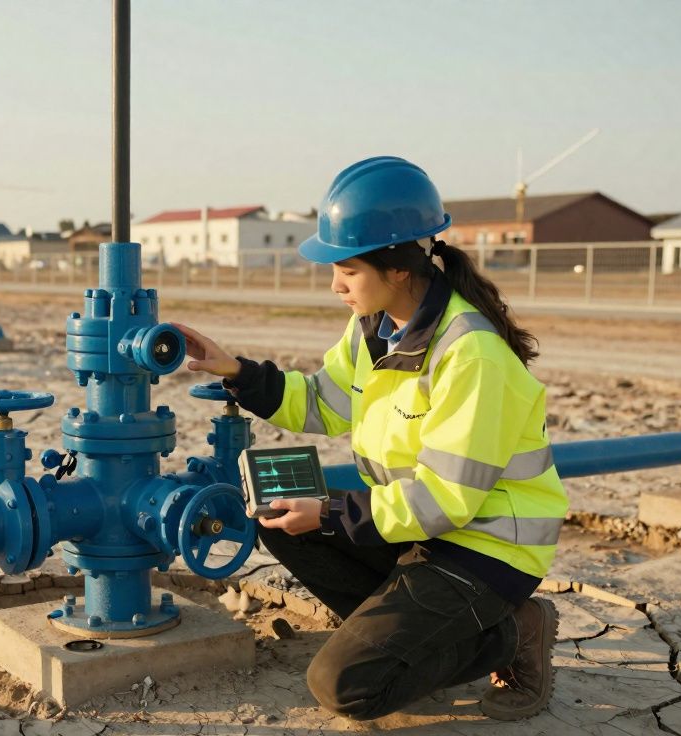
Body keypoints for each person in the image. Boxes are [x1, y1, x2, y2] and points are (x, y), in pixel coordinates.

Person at [173, 156, 569, 722]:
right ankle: (410, 635)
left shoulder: (470, 355)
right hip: (420, 533)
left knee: (344, 686)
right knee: (282, 520)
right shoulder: (376, 328)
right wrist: (234, 369)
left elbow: (444, 501)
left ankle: (512, 633)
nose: (335, 286)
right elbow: (320, 401)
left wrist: (330, 512)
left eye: (349, 270)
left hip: (485, 549)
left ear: (400, 268)